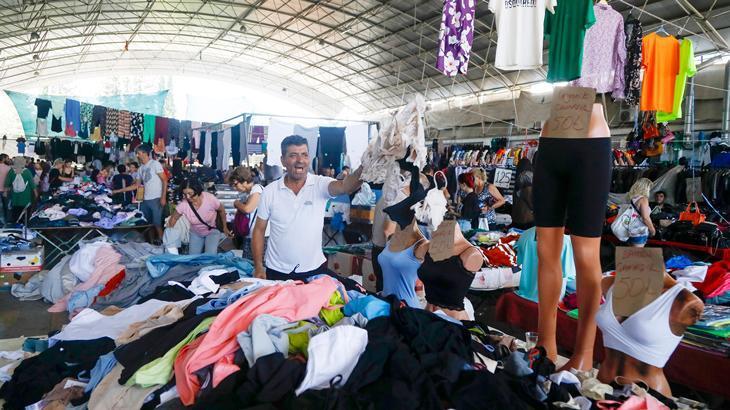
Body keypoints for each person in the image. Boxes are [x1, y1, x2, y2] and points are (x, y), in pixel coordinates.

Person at [252, 135, 364, 280]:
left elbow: (345, 186)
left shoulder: (320, 184)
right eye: (293, 155)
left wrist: (365, 166)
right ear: (283, 160)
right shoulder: (270, 191)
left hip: (314, 270)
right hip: (277, 271)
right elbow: (259, 230)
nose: (300, 160)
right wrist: (258, 266)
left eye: (304, 155)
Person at [112, 145, 168, 242]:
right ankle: (151, 242)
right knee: (147, 223)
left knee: (157, 223)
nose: (137, 155)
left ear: (145, 153)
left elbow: (165, 180)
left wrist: (163, 197)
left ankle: (163, 242)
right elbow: (136, 185)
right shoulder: (141, 168)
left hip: (156, 198)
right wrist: (118, 191)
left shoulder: (155, 164)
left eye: (138, 153)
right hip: (145, 200)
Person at [167, 178, 232, 254]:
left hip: (212, 230)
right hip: (196, 232)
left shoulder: (210, 199)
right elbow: (174, 218)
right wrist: (170, 234)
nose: (188, 197)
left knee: (210, 256)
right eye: (185, 194)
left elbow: (222, 210)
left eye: (190, 193)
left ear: (197, 191)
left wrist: (225, 227)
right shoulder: (183, 205)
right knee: (194, 257)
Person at [229, 166, 265, 259]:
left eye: (236, 184)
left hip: (259, 236)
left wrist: (237, 203)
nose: (235, 188)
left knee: (255, 263)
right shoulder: (248, 193)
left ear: (244, 181)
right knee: (247, 263)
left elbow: (248, 209)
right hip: (251, 235)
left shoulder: (257, 189)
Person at [4, 156, 36, 223]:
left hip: (15, 199)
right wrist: (36, 194)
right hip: (26, 198)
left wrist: (5, 192)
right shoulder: (27, 172)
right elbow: (32, 184)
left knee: (15, 214)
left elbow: (7, 183)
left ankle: (16, 224)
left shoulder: (11, 171)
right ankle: (24, 225)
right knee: (25, 215)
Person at [626, 178, 656, 247]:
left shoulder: (630, 197)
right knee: (637, 253)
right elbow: (645, 218)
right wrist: (652, 230)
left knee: (629, 252)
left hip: (628, 229)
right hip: (639, 231)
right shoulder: (643, 199)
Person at [512, 158, 535, 230]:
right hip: (527, 219)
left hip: (517, 217)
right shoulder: (528, 188)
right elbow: (532, 205)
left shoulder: (518, 187)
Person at [0, 154, 11, 222]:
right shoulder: (8, 168)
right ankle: (6, 221)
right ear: (4, 159)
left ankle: (1, 222)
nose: (9, 160)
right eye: (7, 158)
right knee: (6, 207)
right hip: (6, 191)